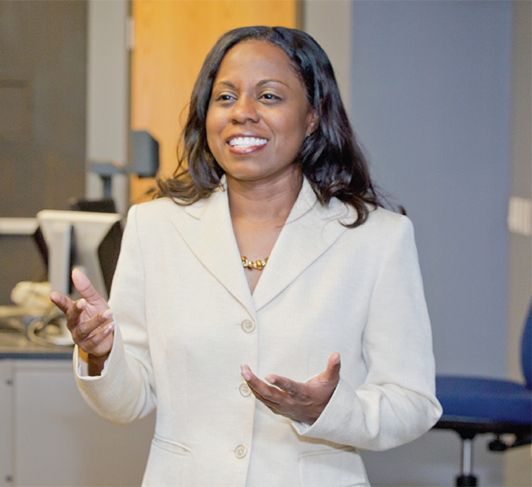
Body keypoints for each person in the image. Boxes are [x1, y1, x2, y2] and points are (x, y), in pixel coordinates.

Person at [51, 26, 442, 486]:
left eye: (270, 97)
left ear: (313, 116)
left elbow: (414, 401)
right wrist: (100, 354)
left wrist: (330, 410)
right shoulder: (154, 227)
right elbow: (128, 401)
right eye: (226, 97)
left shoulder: (376, 239)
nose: (243, 113)